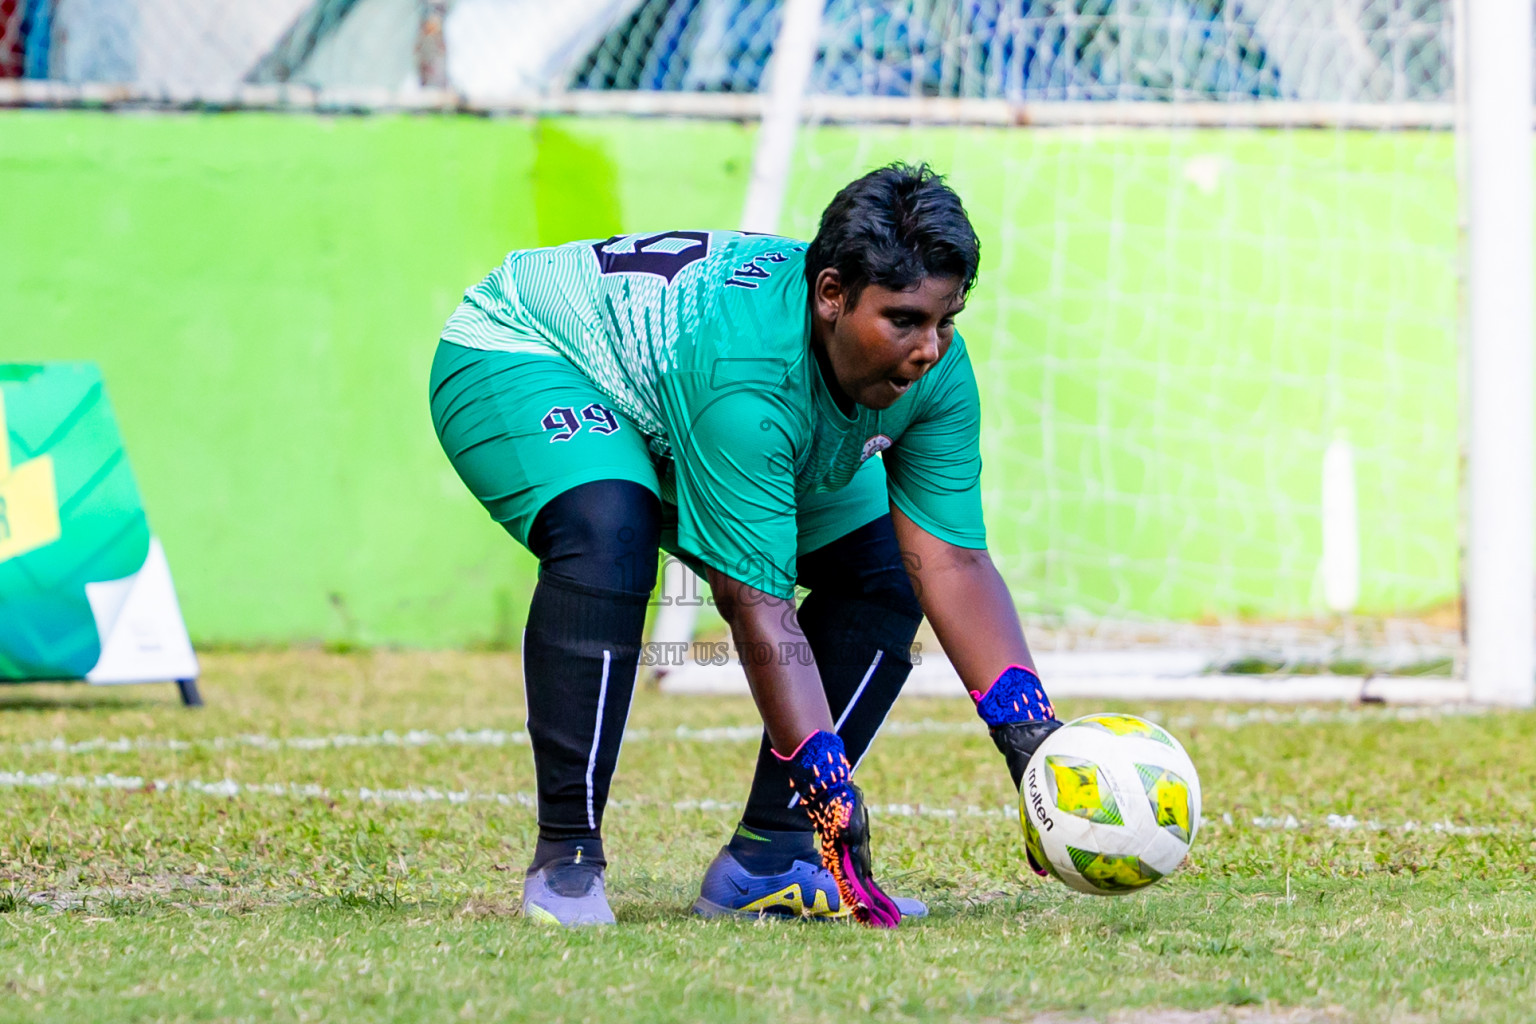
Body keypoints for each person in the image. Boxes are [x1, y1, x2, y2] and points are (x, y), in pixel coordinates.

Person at [429, 163, 1061, 928]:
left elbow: (952, 562)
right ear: (832, 295)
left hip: (690, 397)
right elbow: (754, 601)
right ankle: (567, 858)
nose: (930, 349)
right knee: (610, 529)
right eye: (903, 320)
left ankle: (771, 856)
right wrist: (829, 785)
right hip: (530, 351)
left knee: (888, 568)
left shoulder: (934, 371)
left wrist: (1029, 733)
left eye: (946, 320)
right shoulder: (745, 379)